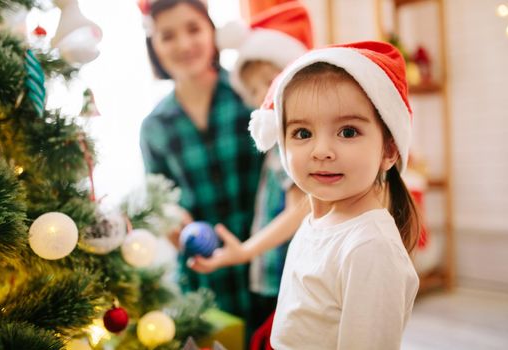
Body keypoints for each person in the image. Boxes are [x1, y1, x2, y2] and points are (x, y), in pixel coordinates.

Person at [248, 41, 421, 349]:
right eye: (302, 133)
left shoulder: (370, 247)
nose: (322, 151)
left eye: (348, 132)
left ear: (389, 149)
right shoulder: (317, 222)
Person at [188, 2, 313, 332]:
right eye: (256, 90)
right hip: (273, 276)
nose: (264, 96)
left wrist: (246, 250)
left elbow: (298, 210)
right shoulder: (279, 144)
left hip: (287, 277)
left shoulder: (294, 146)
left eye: (271, 82)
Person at [139, 0, 263, 323]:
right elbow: (160, 202)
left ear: (213, 32)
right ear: (154, 45)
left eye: (193, 29)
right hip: (203, 280)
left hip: (268, 262)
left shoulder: (250, 95)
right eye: (168, 35)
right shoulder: (154, 126)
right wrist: (170, 218)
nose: (183, 44)